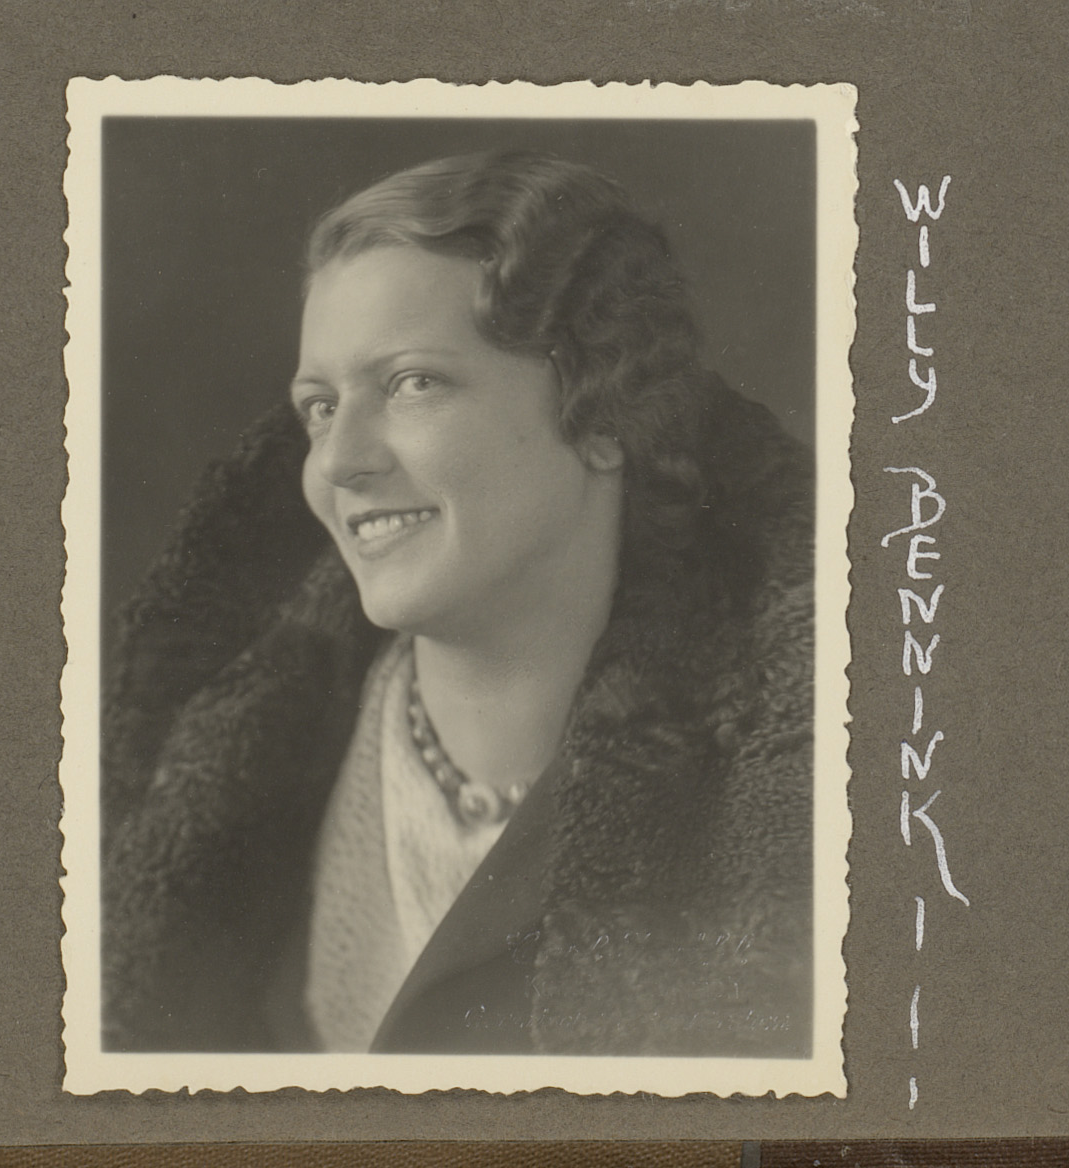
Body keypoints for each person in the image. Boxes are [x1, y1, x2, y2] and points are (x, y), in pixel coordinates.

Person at [101, 150, 815, 1057]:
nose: (336, 461)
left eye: (412, 383)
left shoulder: (805, 806)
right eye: (319, 407)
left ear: (603, 415)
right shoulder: (230, 790)